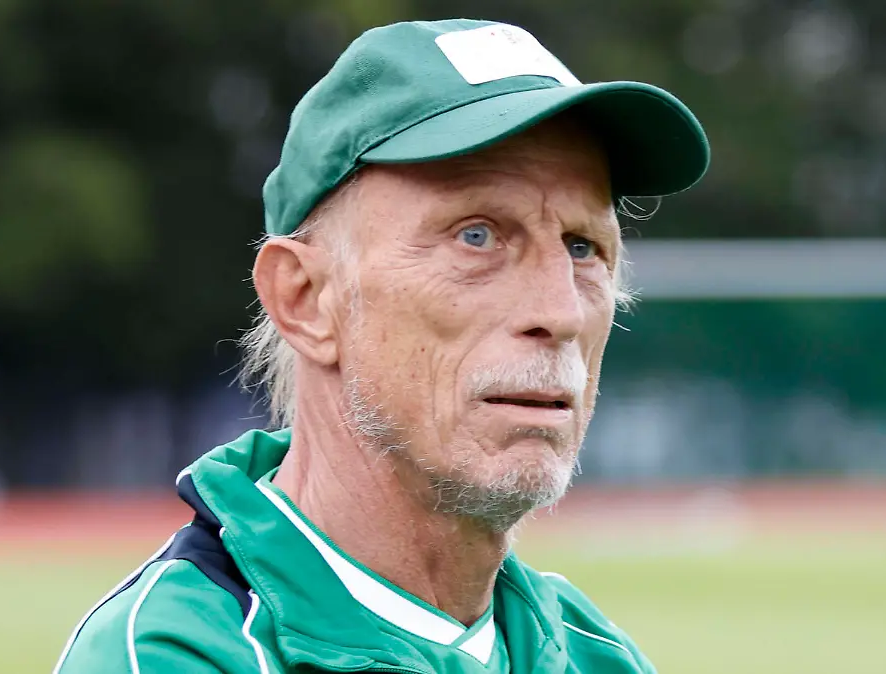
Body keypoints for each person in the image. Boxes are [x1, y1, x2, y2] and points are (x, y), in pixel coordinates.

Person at [54, 18, 708, 673]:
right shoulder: (177, 653)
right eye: (476, 236)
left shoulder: (601, 656)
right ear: (306, 300)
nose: (560, 310)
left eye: (581, 247)